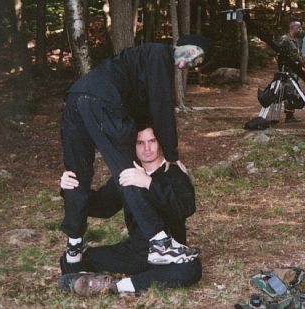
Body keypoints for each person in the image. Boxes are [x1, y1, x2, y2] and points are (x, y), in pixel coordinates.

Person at [59, 35, 210, 266]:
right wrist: (171, 154)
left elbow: (141, 111)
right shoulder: (159, 53)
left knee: (74, 177)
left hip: (75, 99)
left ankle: (74, 246)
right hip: (101, 100)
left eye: (193, 64)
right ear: (180, 43)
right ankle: (160, 243)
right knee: (129, 173)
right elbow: (161, 107)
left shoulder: (137, 63)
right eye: (191, 55)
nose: (184, 65)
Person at [57, 126, 201, 296]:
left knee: (191, 268)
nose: (147, 148)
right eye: (140, 142)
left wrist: (149, 183)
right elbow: (102, 207)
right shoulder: (128, 174)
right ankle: (81, 282)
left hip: (169, 253)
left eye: (152, 141)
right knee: (80, 258)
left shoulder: (174, 173)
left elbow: (186, 208)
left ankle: (117, 285)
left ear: (160, 143)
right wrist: (71, 189)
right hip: (135, 252)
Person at [278, 21, 303, 123]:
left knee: (293, 91)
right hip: (288, 70)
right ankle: (289, 115)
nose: (300, 30)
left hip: (295, 70)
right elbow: (280, 55)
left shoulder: (295, 40)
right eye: (299, 28)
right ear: (293, 28)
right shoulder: (285, 39)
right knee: (289, 91)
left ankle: (290, 114)